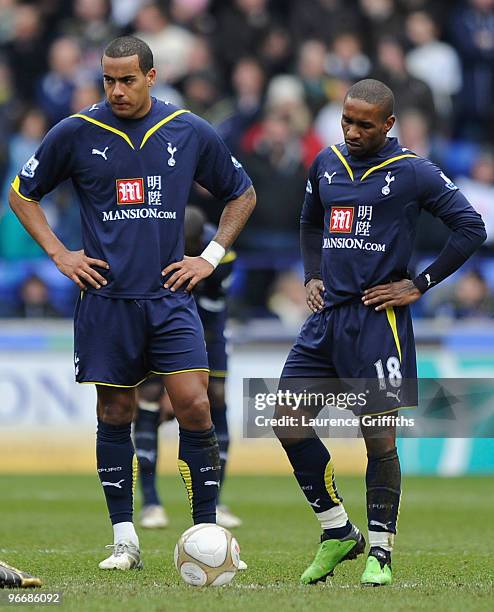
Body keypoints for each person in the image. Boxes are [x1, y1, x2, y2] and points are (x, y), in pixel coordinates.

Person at [8, 36, 256, 571]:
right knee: (114, 411)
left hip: (170, 296)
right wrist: (59, 254)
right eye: (108, 80)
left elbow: (242, 193)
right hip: (107, 299)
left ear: (150, 75)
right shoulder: (76, 132)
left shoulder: (187, 129)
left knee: (194, 404)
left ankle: (205, 530)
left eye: (127, 79)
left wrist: (209, 256)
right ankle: (126, 539)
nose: (116, 90)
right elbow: (21, 193)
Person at [274, 79, 486, 587]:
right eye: (347, 121)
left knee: (378, 437)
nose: (351, 131)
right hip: (326, 320)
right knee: (286, 418)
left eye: (363, 125)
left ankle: (382, 551)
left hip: (377, 322)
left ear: (388, 124)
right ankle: (337, 531)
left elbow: (471, 227)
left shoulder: (412, 171)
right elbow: (308, 221)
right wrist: (312, 275)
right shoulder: (326, 163)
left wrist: (419, 284)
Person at [135, 205, 242, 530]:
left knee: (216, 397)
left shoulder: (222, 258)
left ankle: (216, 499)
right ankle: (151, 502)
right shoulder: (155, 249)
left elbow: (208, 316)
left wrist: (185, 383)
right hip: (158, 325)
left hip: (206, 331)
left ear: (198, 243)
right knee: (149, 396)